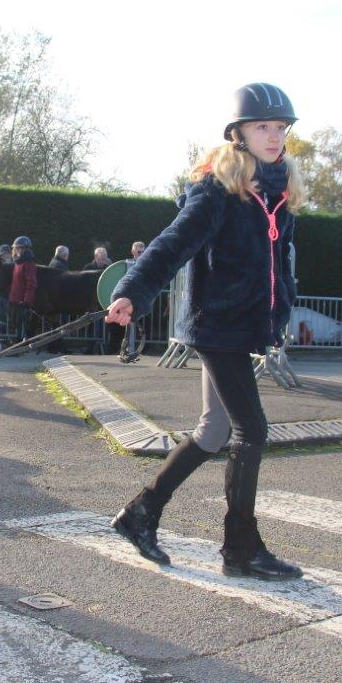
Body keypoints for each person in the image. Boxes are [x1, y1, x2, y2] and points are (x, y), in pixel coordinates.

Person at [105, 81, 304, 581]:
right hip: (219, 328)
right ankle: (240, 548)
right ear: (238, 133)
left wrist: (281, 314)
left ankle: (139, 515)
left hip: (245, 329)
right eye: (263, 126)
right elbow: (172, 244)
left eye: (280, 127)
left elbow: (279, 267)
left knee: (213, 431)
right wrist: (133, 290)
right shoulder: (219, 191)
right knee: (251, 430)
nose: (274, 135)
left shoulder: (277, 193)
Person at [9, 235, 37, 346]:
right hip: (14, 299)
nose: (16, 251)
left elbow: (31, 283)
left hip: (22, 301)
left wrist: (26, 300)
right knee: (15, 324)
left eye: (19, 248)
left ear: (24, 249)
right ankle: (16, 344)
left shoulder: (28, 264)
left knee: (21, 326)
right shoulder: (17, 263)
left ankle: (19, 346)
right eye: (15, 248)